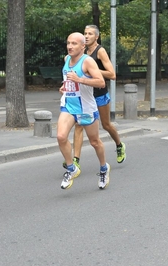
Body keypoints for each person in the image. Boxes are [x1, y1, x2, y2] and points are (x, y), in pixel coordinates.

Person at [64, 25, 126, 170]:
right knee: (79, 125)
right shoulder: (81, 50)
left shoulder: (100, 51)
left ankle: (119, 144)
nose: (86, 36)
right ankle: (76, 159)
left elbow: (112, 75)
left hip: (99, 93)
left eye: (90, 34)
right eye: (85, 33)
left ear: (96, 37)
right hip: (84, 95)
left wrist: (93, 70)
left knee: (106, 125)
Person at [58, 32, 110, 189]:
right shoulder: (67, 59)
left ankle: (103, 168)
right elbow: (69, 79)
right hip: (69, 105)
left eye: (74, 43)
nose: (69, 46)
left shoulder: (87, 62)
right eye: (68, 43)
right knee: (61, 136)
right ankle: (71, 168)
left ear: (83, 46)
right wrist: (65, 86)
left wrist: (80, 80)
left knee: (95, 142)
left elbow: (101, 82)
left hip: (86, 107)